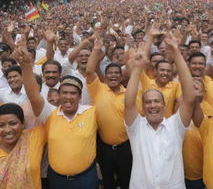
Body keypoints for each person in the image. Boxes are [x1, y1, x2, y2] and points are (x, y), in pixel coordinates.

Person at [14, 46, 98, 189]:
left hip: (86, 178)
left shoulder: (91, 112)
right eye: (64, 93)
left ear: (79, 96)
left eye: (73, 93)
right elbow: (34, 96)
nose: (68, 97)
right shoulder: (50, 113)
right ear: (58, 95)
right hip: (57, 180)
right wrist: (27, 67)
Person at [124, 33, 195, 189]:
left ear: (164, 105)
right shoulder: (136, 128)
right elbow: (129, 104)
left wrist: (176, 53)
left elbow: (189, 98)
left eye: (157, 101)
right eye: (148, 102)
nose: (153, 105)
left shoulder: (175, 126)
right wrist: (136, 70)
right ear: (142, 107)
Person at [85, 37, 132, 189]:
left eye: (116, 73)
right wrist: (96, 49)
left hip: (126, 147)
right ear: (105, 77)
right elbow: (89, 70)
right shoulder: (98, 89)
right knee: (108, 182)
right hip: (104, 148)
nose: (113, 75)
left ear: (121, 76)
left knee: (126, 181)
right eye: (110, 73)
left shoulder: (128, 94)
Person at [0, 103, 46, 188]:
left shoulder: (34, 137)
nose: (7, 130)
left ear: (23, 123)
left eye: (13, 123)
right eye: (1, 125)